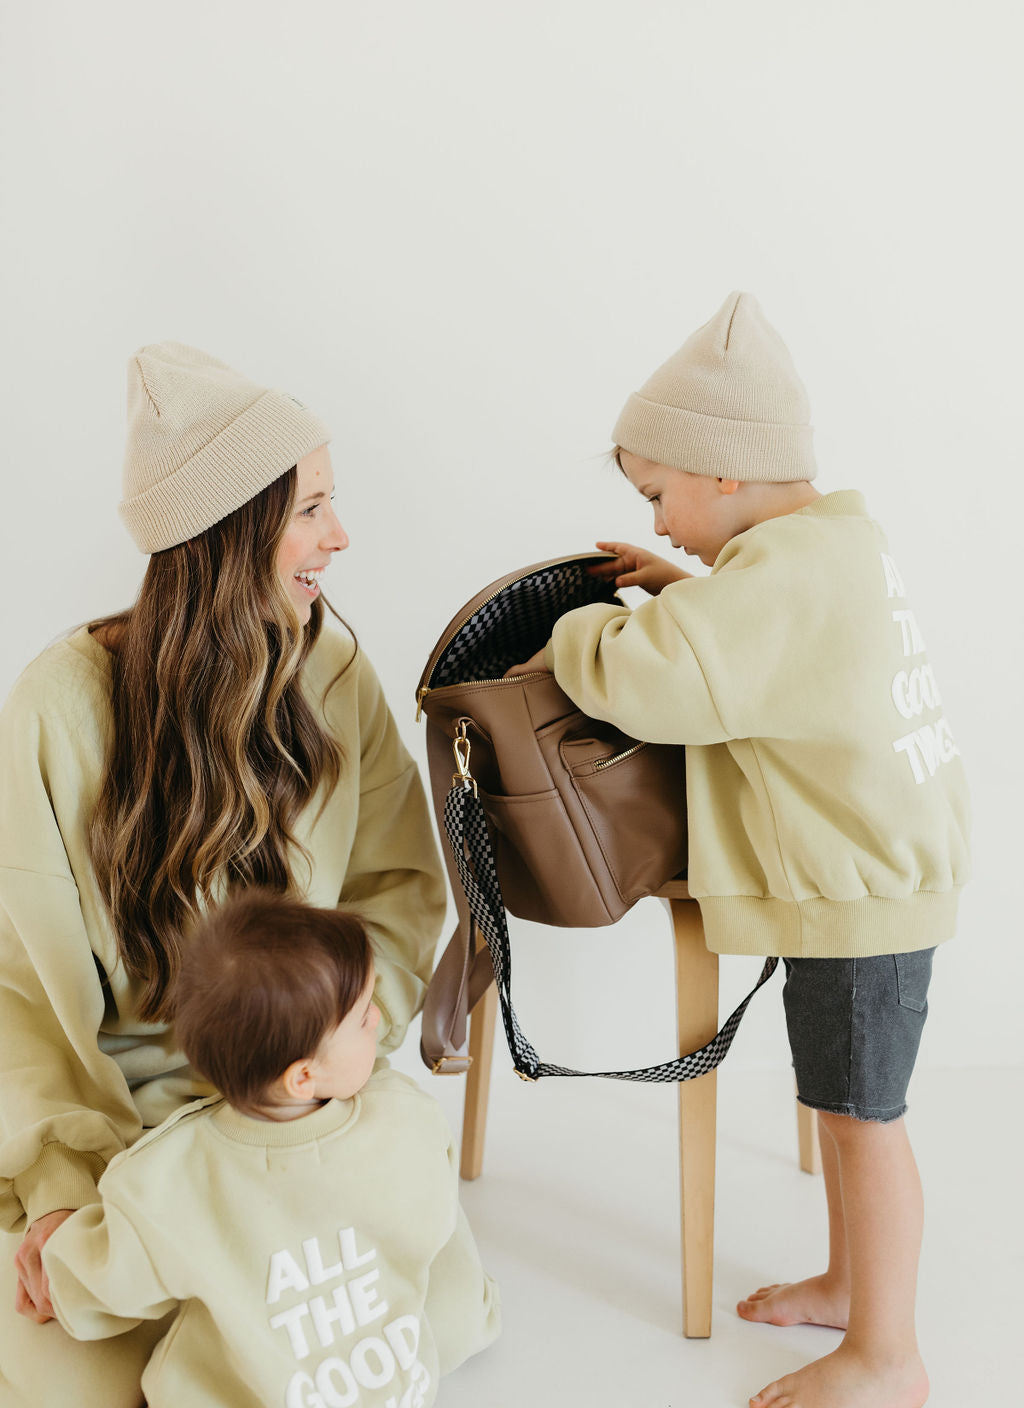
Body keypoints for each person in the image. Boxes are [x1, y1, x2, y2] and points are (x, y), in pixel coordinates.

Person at [510, 293, 969, 1408]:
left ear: (721, 473)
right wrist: (693, 593)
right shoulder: (832, 548)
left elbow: (662, 680)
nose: (660, 523)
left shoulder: (784, 582)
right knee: (841, 1104)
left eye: (660, 494)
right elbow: (765, 645)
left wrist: (583, 626)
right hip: (876, 883)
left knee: (863, 1124)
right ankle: (851, 1288)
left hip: (858, 898)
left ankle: (888, 1357)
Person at [0, 342, 447, 1407]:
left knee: (341, 1343)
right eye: (312, 509)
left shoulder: (329, 669)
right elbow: (20, 986)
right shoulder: (60, 706)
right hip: (123, 1115)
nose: (338, 537)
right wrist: (64, 1183)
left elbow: (399, 883)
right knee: (66, 1361)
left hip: (298, 1094)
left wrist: (323, 1045)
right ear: (226, 530)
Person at [41, 893, 500, 1408]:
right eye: (362, 1015)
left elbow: (104, 1280)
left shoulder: (169, 1177)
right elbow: (434, 1213)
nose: (378, 1016)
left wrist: (57, 1276)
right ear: (303, 1076)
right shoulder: (404, 1117)